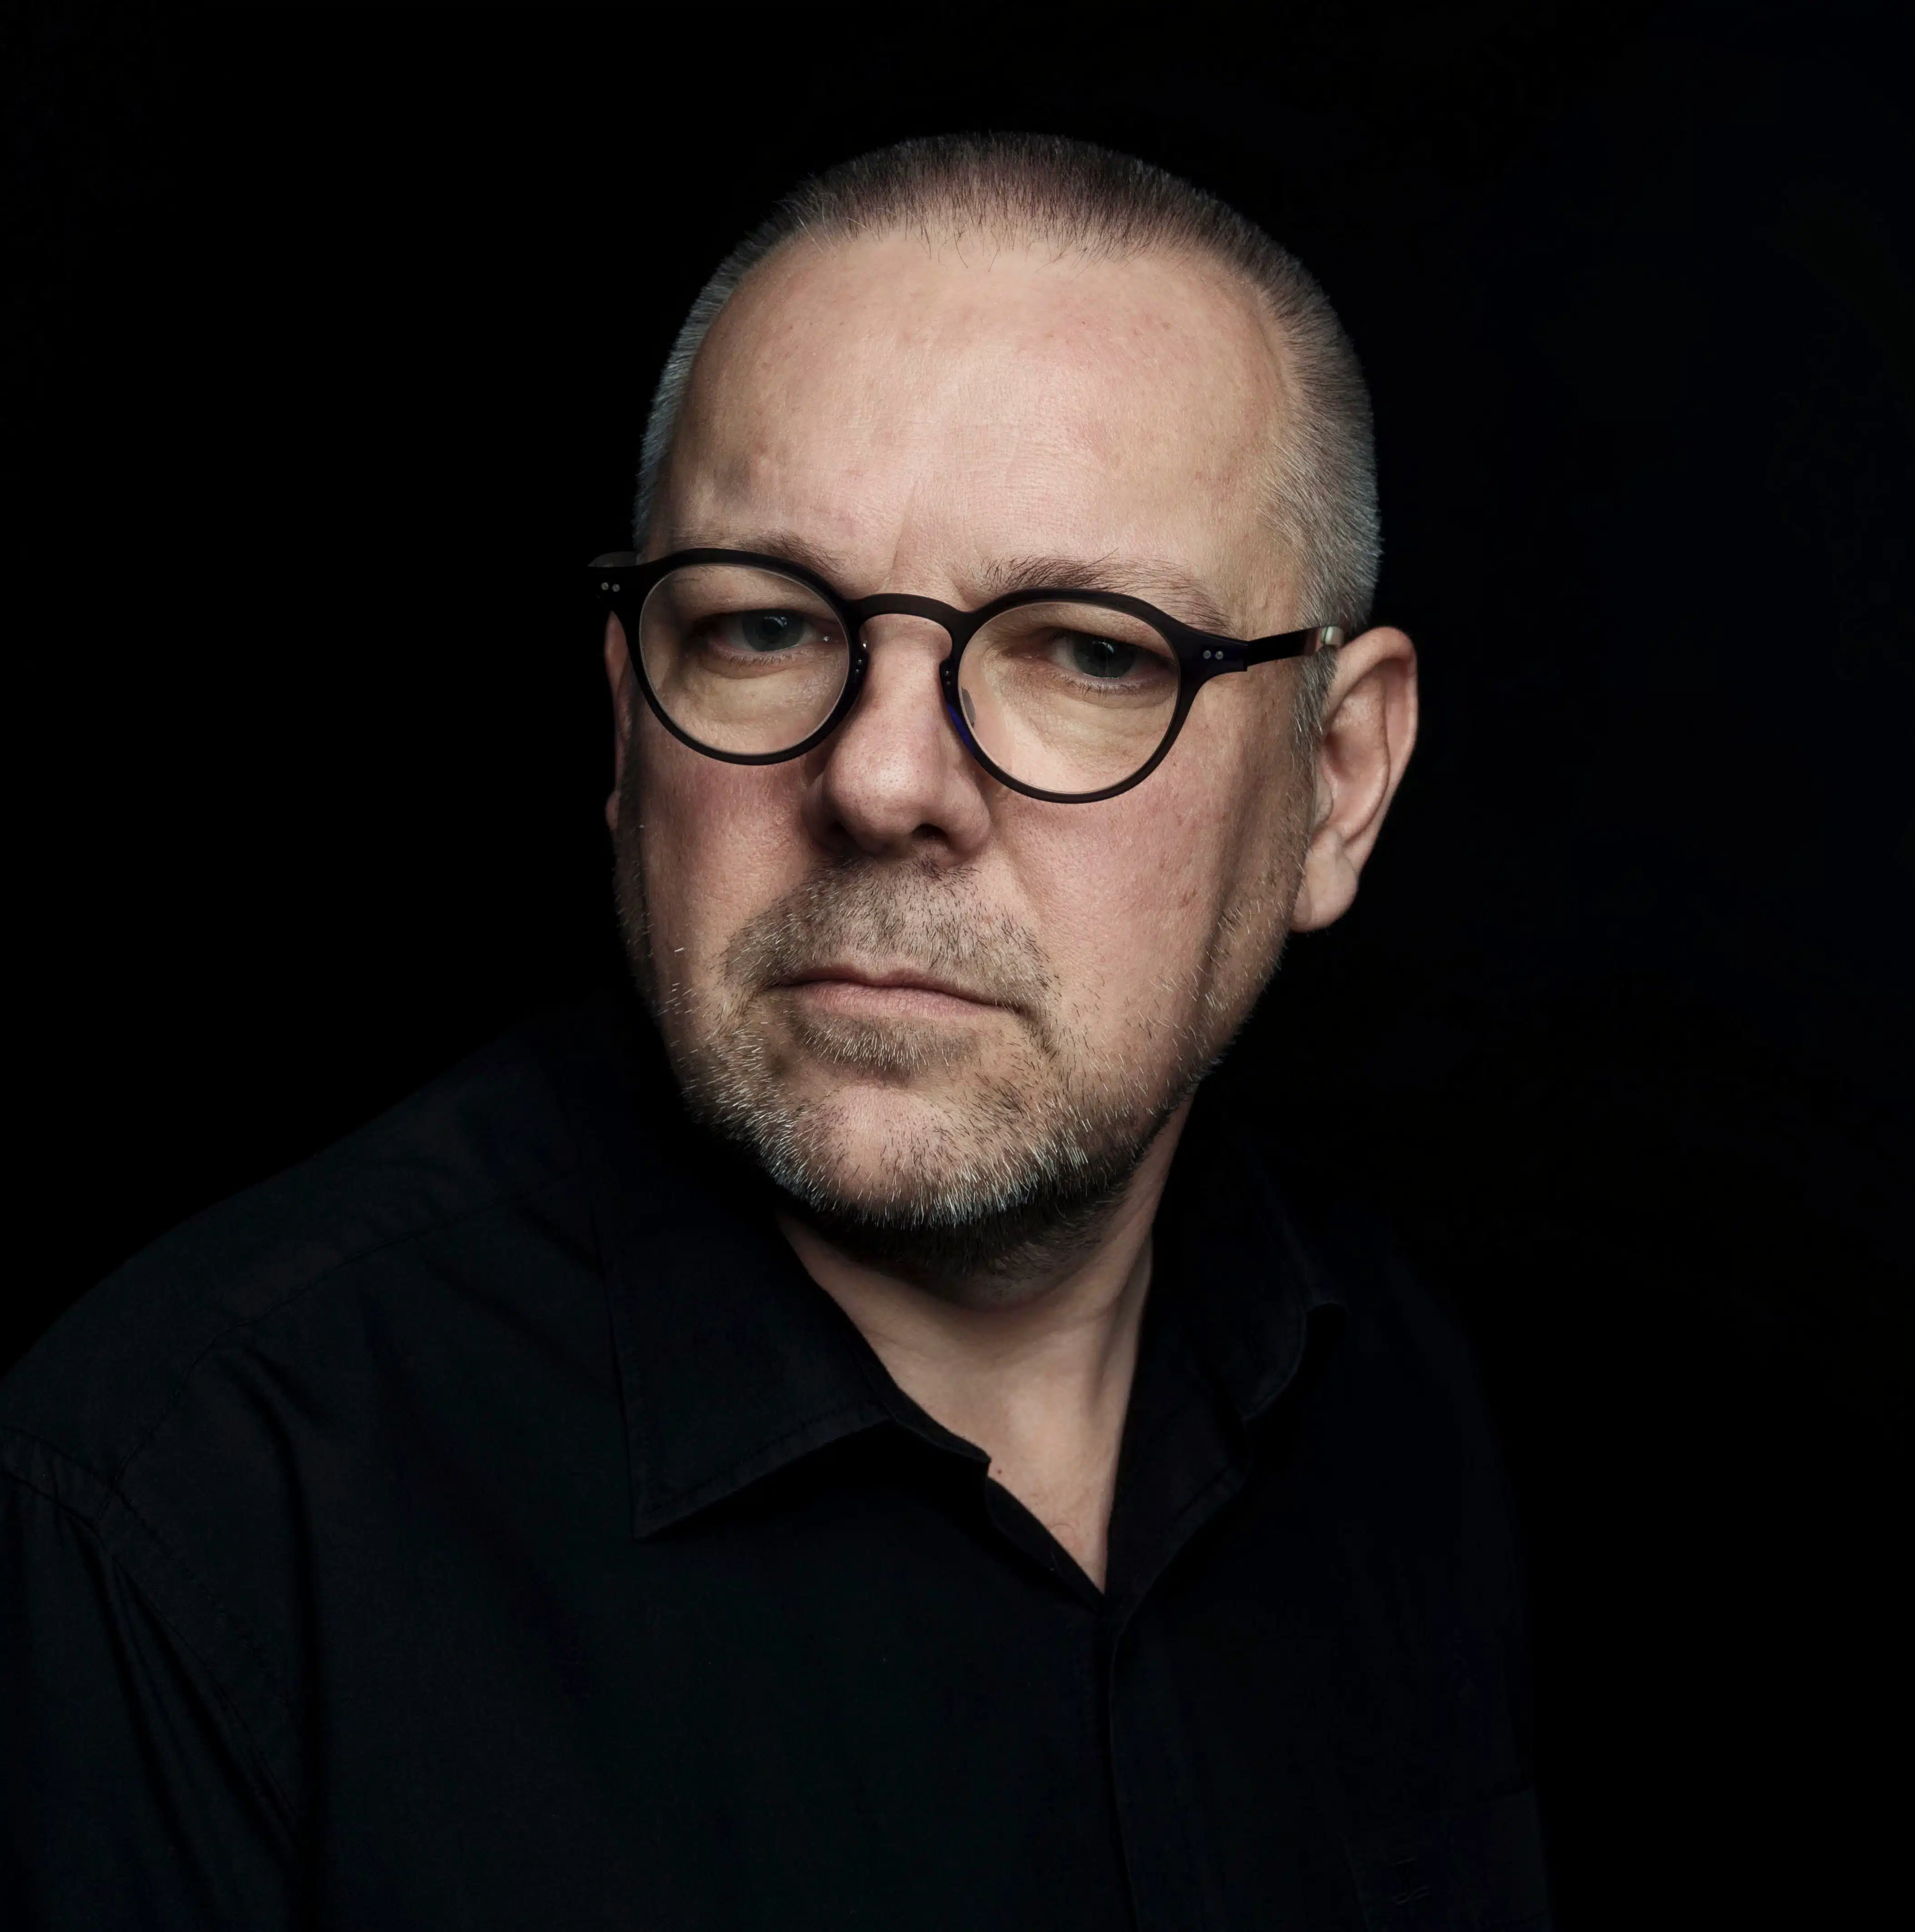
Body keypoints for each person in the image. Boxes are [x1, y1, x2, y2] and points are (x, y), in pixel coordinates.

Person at [1, 135, 1548, 1929]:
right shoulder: (181, 1515)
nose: (880, 779)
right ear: (626, 725)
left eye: (1089, 651)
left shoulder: (1395, 1395)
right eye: (763, 625)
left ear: (1337, 780)